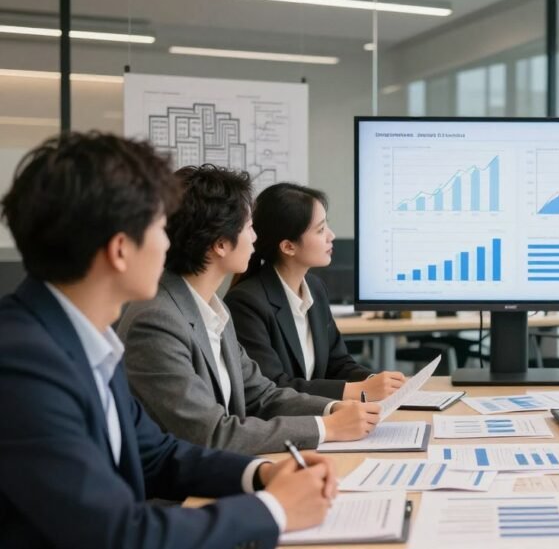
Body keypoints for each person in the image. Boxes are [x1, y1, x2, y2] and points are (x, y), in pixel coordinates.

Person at [0, 132, 337, 548]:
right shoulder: (23, 365)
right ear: (120, 250)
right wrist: (275, 509)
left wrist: (262, 474)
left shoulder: (83, 339)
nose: (169, 243)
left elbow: (157, 454)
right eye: (161, 227)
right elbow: (116, 534)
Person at [118, 165, 379, 455]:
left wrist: (333, 409)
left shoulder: (212, 310)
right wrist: (326, 428)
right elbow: (211, 434)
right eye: (248, 227)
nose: (255, 238)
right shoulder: (157, 321)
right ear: (220, 244)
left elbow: (261, 395)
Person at [225, 182, 405, 400]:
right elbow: (273, 387)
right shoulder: (246, 303)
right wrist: (357, 390)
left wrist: (376, 382)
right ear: (288, 246)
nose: (331, 235)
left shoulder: (315, 288)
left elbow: (338, 364)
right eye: (320, 230)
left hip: (322, 414)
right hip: (286, 419)